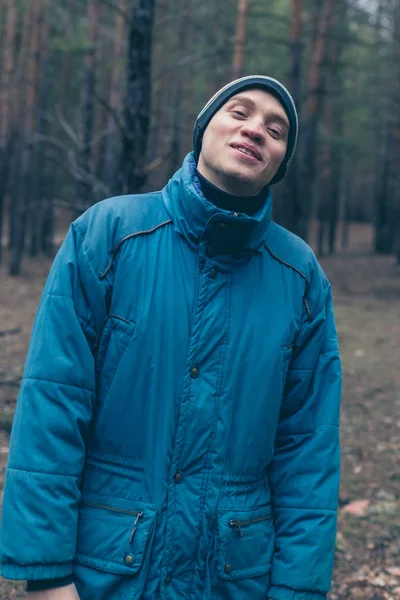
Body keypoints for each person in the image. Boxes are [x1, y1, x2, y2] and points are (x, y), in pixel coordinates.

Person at [0, 75, 342, 600]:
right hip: (106, 571)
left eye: (276, 131)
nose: (256, 130)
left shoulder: (299, 278)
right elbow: (53, 404)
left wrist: (297, 588)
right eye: (239, 112)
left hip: (234, 578)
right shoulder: (109, 234)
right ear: (204, 127)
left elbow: (308, 448)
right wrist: (47, 573)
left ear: (280, 162)